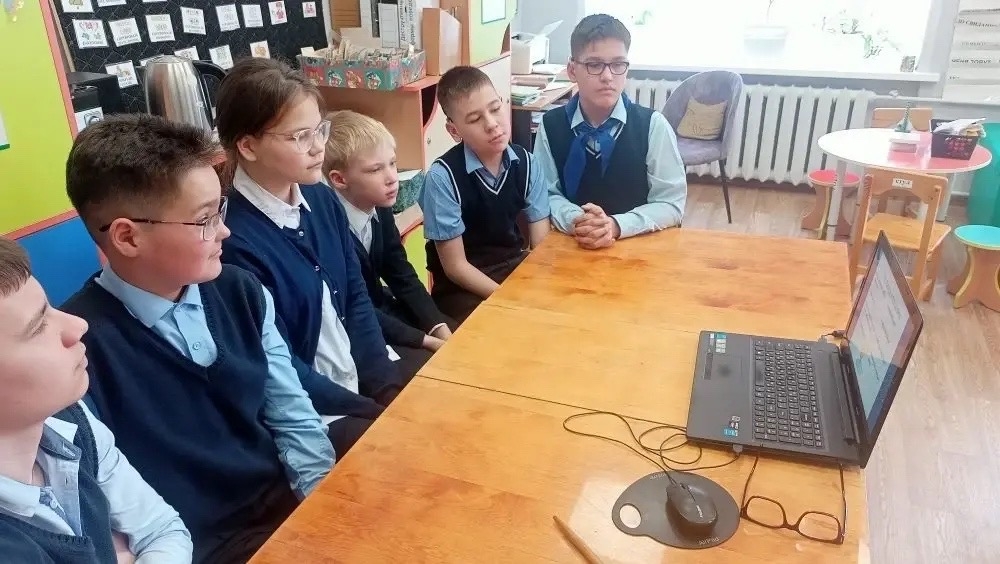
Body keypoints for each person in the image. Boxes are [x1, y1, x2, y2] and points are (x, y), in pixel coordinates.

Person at [60, 114, 334, 563]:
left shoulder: (240, 291)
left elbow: (292, 415)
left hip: (287, 508)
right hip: (194, 547)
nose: (225, 230)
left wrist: (326, 509)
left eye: (220, 210)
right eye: (205, 219)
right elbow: (114, 509)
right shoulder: (78, 347)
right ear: (128, 237)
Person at [216, 57, 404, 453]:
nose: (319, 147)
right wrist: (370, 408)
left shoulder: (320, 197)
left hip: (355, 386)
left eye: (320, 129)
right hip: (310, 413)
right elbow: (280, 367)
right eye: (301, 136)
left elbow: (355, 297)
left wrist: (387, 385)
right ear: (247, 146)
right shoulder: (232, 240)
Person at [0, 237, 193, 563]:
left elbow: (163, 531)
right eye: (37, 327)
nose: (78, 325)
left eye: (50, 308)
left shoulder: (68, 419)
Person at [533, 13, 687, 250]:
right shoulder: (551, 125)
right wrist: (580, 221)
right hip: (574, 247)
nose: (607, 76)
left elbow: (670, 203)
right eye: (594, 65)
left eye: (617, 64)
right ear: (572, 70)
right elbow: (546, 194)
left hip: (638, 250)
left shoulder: (652, 126)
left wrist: (615, 225)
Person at [324, 110, 455, 381]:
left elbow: (401, 274)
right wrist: (424, 340)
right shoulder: (328, 229)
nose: (392, 177)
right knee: (429, 374)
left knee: (463, 336)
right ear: (339, 180)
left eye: (392, 163)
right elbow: (353, 305)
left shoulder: (379, 206)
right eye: (375, 169)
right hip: (357, 330)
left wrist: (437, 325)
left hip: (385, 310)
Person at [419, 65, 550, 324]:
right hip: (462, 289)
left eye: (495, 108)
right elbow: (456, 268)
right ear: (454, 131)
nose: (492, 124)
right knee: (505, 328)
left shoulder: (527, 163)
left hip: (515, 269)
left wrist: (534, 288)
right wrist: (507, 298)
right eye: (475, 119)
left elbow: (541, 245)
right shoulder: (442, 178)